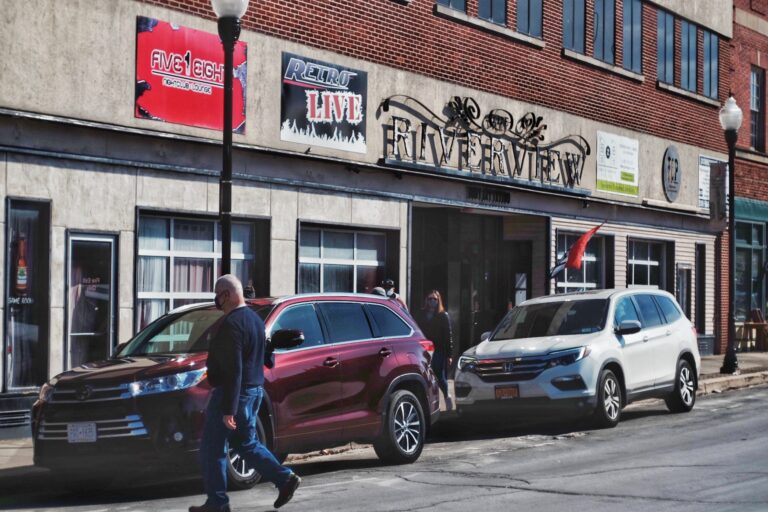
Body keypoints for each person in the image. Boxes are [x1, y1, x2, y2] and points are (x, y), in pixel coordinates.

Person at [190, 275, 300, 512]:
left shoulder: (232, 324)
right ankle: (285, 478)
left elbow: (234, 368)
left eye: (218, 295)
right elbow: (267, 357)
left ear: (227, 295)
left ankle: (217, 503)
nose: (216, 300)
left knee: (212, 447)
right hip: (253, 391)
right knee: (246, 443)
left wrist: (229, 409)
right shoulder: (255, 320)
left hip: (233, 394)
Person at [415, 290, 454, 410]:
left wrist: (449, 355)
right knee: (426, 375)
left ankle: (446, 396)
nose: (432, 301)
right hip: (424, 350)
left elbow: (448, 336)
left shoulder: (443, 315)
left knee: (439, 375)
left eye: (435, 299)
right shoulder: (421, 314)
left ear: (438, 301)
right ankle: (431, 404)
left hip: (438, 349)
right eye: (430, 299)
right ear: (426, 300)